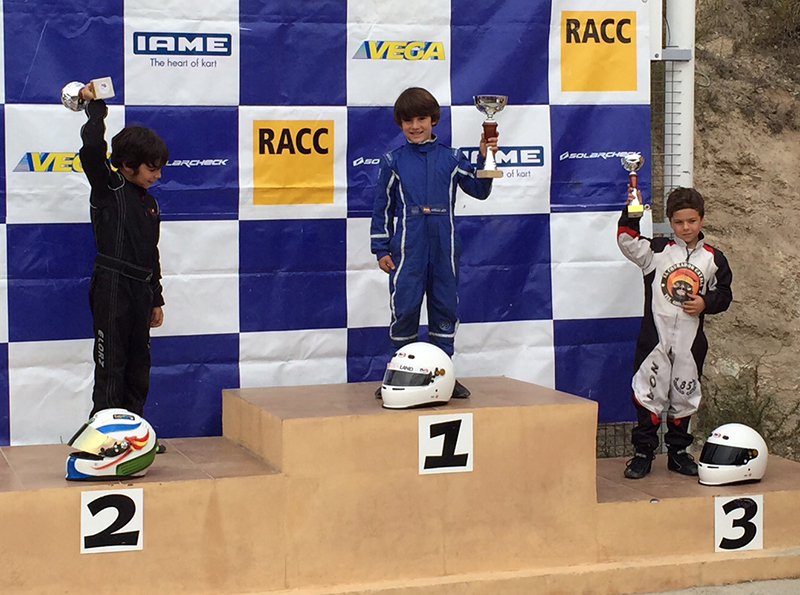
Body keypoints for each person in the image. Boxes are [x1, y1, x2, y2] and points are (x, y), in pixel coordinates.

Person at [370, 87, 498, 399]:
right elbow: (383, 207)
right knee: (405, 309)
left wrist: (485, 155)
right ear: (400, 123)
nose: (415, 126)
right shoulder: (392, 161)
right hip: (409, 245)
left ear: (434, 120)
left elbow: (480, 191)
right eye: (408, 120)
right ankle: (401, 372)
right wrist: (381, 248)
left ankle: (444, 376)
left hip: (444, 245)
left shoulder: (453, 158)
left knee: (444, 308)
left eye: (422, 119)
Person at [617, 186, 732, 479]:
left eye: (692, 221)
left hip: (689, 343)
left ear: (702, 220)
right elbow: (626, 240)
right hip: (655, 339)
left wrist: (706, 302)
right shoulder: (656, 252)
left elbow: (725, 294)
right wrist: (632, 209)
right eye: (679, 222)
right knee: (647, 394)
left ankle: (678, 453)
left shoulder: (713, 258)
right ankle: (643, 454)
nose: (686, 227)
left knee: (685, 395)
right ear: (670, 221)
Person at [77, 84, 168, 437]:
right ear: (128, 165)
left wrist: (156, 297)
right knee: (111, 365)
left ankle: (133, 437)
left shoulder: (149, 203)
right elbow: (92, 151)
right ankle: (104, 438)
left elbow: (152, 252)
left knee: (138, 368)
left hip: (141, 289)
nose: (157, 175)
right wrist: (95, 109)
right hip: (112, 285)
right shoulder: (108, 188)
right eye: (152, 168)